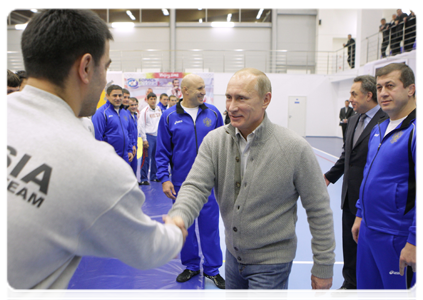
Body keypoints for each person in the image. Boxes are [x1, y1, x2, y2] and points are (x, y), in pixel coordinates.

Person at [5, 8, 186, 300]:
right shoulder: (93, 165)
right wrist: (176, 228)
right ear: (86, 67)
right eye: (105, 67)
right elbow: (149, 249)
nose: (106, 80)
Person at [167, 68, 335, 299]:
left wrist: (323, 264)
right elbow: (195, 186)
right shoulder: (214, 142)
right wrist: (179, 217)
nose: (232, 107)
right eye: (228, 97)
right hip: (234, 259)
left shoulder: (294, 148)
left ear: (266, 100)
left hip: (272, 263)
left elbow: (319, 209)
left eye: (241, 98)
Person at [352, 63, 420, 300]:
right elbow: (368, 176)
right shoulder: (379, 129)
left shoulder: (417, 131)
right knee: (369, 294)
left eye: (390, 86)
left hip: (398, 237)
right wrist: (360, 214)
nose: (382, 93)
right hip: (369, 232)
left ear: (411, 89)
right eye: (379, 87)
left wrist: (417, 240)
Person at [156, 74, 225, 289]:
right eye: (199, 88)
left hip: (209, 183)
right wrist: (165, 178)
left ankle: (212, 269)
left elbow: (225, 145)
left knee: (210, 227)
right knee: (183, 225)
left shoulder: (213, 113)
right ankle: (191, 265)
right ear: (185, 91)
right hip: (181, 184)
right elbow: (162, 151)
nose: (203, 92)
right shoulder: (168, 117)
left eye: (203, 88)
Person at [324, 75, 387, 298]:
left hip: (374, 197)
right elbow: (346, 156)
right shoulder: (352, 120)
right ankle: (351, 282)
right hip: (350, 195)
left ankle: (375, 285)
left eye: (354, 94)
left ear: (368, 95)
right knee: (350, 243)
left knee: (372, 245)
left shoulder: (386, 120)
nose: (349, 99)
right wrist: (328, 177)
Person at [92, 84, 135, 165]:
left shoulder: (125, 113)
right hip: (109, 158)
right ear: (107, 96)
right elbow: (97, 138)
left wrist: (129, 150)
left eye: (120, 95)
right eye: (114, 96)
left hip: (125, 157)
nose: (118, 98)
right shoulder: (101, 113)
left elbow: (128, 133)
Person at [139, 92, 162, 185]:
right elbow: (141, 125)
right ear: (147, 100)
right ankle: (144, 178)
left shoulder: (158, 109)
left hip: (157, 136)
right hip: (148, 136)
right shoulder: (144, 111)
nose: (153, 101)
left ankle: (154, 176)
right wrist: (144, 139)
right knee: (146, 158)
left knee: (156, 158)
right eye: (151, 99)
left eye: (154, 99)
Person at [128, 97, 139, 176]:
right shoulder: (126, 117)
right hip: (129, 146)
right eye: (132, 105)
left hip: (135, 145)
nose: (134, 107)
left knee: (134, 166)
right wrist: (131, 145)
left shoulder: (135, 116)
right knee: (129, 167)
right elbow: (128, 133)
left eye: (135, 105)